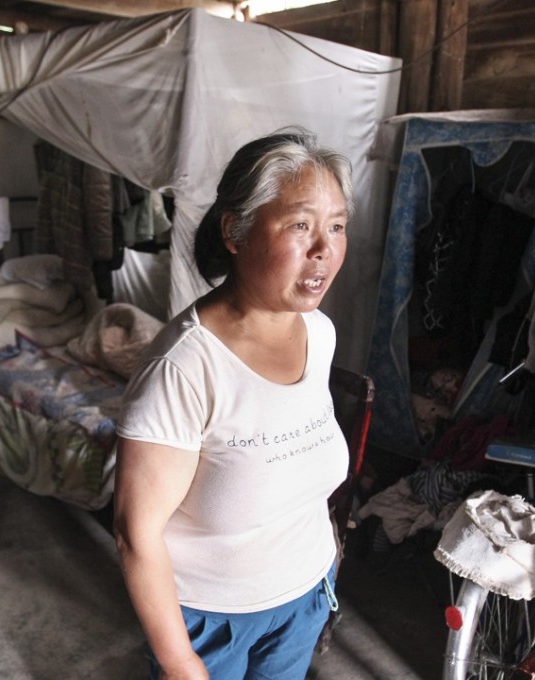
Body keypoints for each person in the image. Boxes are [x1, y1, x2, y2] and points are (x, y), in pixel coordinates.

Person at [113, 129, 355, 680]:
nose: (324, 249)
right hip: (211, 620)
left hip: (307, 595)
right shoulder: (183, 368)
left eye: (337, 226)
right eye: (300, 225)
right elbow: (135, 534)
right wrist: (181, 663)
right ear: (235, 231)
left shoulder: (319, 333)